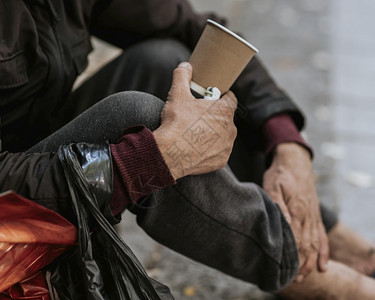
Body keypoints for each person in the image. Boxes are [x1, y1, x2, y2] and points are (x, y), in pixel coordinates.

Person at [1, 0, 375, 298]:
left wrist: (287, 142)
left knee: (169, 62)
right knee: (140, 117)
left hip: (32, 157)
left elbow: (196, 31)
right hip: (8, 221)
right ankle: (306, 268)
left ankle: (322, 233)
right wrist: (144, 161)